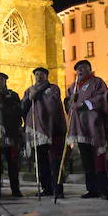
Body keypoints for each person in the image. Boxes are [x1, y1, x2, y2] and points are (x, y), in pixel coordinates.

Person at [64, 60, 108, 199]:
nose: (80, 71)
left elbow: (103, 97)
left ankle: (103, 189)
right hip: (80, 127)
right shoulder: (73, 87)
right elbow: (69, 103)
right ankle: (92, 189)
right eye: (78, 69)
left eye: (83, 68)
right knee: (86, 159)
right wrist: (68, 102)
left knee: (98, 158)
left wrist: (85, 104)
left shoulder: (97, 82)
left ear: (90, 69)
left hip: (93, 125)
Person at [21, 67, 65, 197]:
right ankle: (46, 188)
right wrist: (30, 98)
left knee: (54, 161)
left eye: (41, 74)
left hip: (52, 130)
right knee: (41, 161)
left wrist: (38, 95)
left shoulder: (53, 88)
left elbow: (53, 105)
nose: (39, 76)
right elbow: (23, 108)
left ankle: (58, 188)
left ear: (46, 76)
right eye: (36, 74)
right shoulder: (29, 90)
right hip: (36, 131)